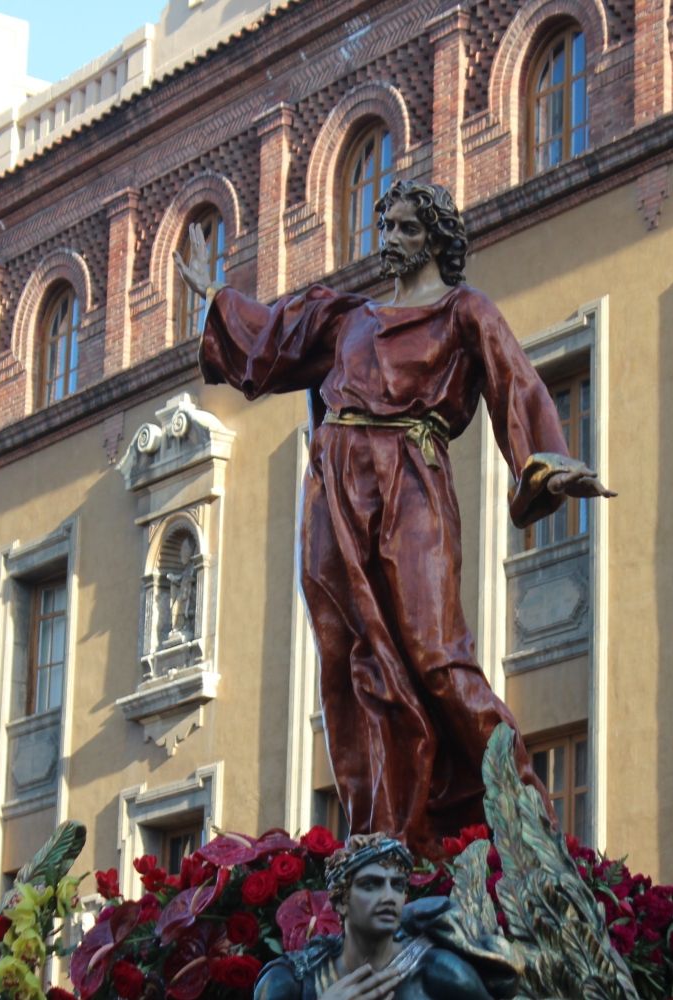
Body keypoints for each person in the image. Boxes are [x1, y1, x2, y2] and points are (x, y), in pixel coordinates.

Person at [175, 180, 612, 855]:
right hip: (335, 489)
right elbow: (269, 341)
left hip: (410, 475)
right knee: (353, 658)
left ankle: (523, 819)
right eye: (387, 226)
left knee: (433, 651)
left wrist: (544, 461)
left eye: (407, 228)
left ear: (436, 238)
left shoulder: (464, 312)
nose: (391, 240)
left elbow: (514, 381)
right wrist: (214, 295)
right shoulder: (348, 319)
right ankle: (383, 834)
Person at [253, 834, 514, 1000]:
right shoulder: (289, 981)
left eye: (398, 886)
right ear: (341, 901)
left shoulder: (439, 972)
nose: (389, 896)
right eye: (371, 885)